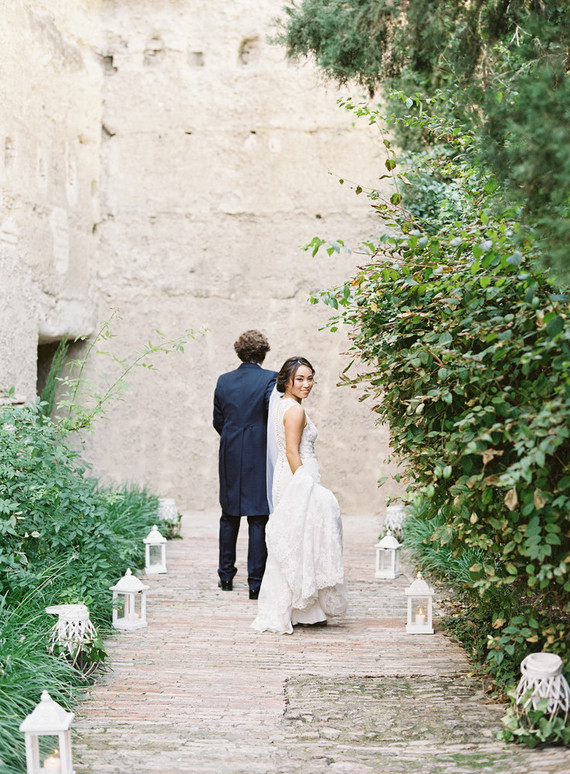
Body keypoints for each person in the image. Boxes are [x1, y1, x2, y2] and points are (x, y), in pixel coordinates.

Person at [252, 356, 347, 634]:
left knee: (298, 538)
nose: (307, 384)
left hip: (288, 475)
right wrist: (306, 484)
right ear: (287, 381)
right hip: (297, 476)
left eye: (310, 378)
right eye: (300, 379)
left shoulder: (285, 404)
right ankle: (294, 608)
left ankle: (302, 609)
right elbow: (293, 451)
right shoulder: (294, 411)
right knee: (298, 538)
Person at [213, 330, 277, 599]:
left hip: (230, 452)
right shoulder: (270, 378)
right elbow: (271, 415)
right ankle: (255, 583)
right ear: (263, 353)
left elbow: (218, 420)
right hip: (258, 452)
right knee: (258, 517)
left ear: (239, 352)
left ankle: (226, 576)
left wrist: (233, 437)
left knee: (229, 515)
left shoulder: (224, 380)